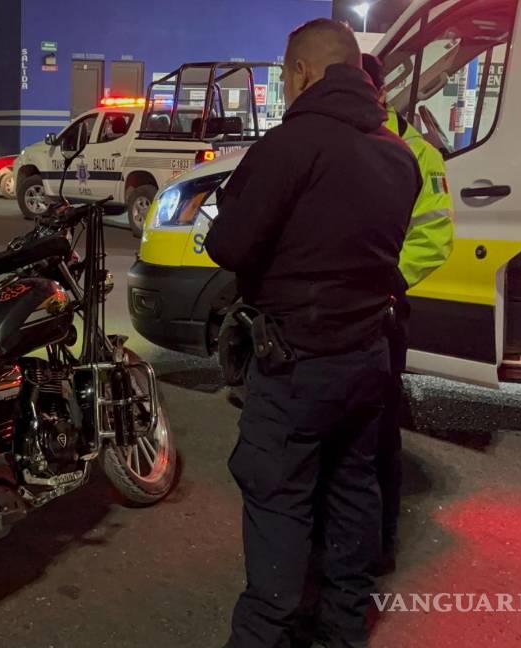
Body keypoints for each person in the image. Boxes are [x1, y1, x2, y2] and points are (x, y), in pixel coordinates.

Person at [204, 19, 420, 648]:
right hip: (368, 352)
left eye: (284, 73)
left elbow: (229, 245)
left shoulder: (290, 145)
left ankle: (266, 633)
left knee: (278, 496)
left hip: (296, 359)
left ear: (301, 71)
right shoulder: (397, 152)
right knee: (352, 487)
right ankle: (344, 627)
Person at [360, 53, 455, 574]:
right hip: (340, 309)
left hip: (383, 309)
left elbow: (434, 237)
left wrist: (385, 284)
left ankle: (380, 544)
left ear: (380, 92)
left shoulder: (418, 152)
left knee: (379, 432)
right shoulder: (337, 142)